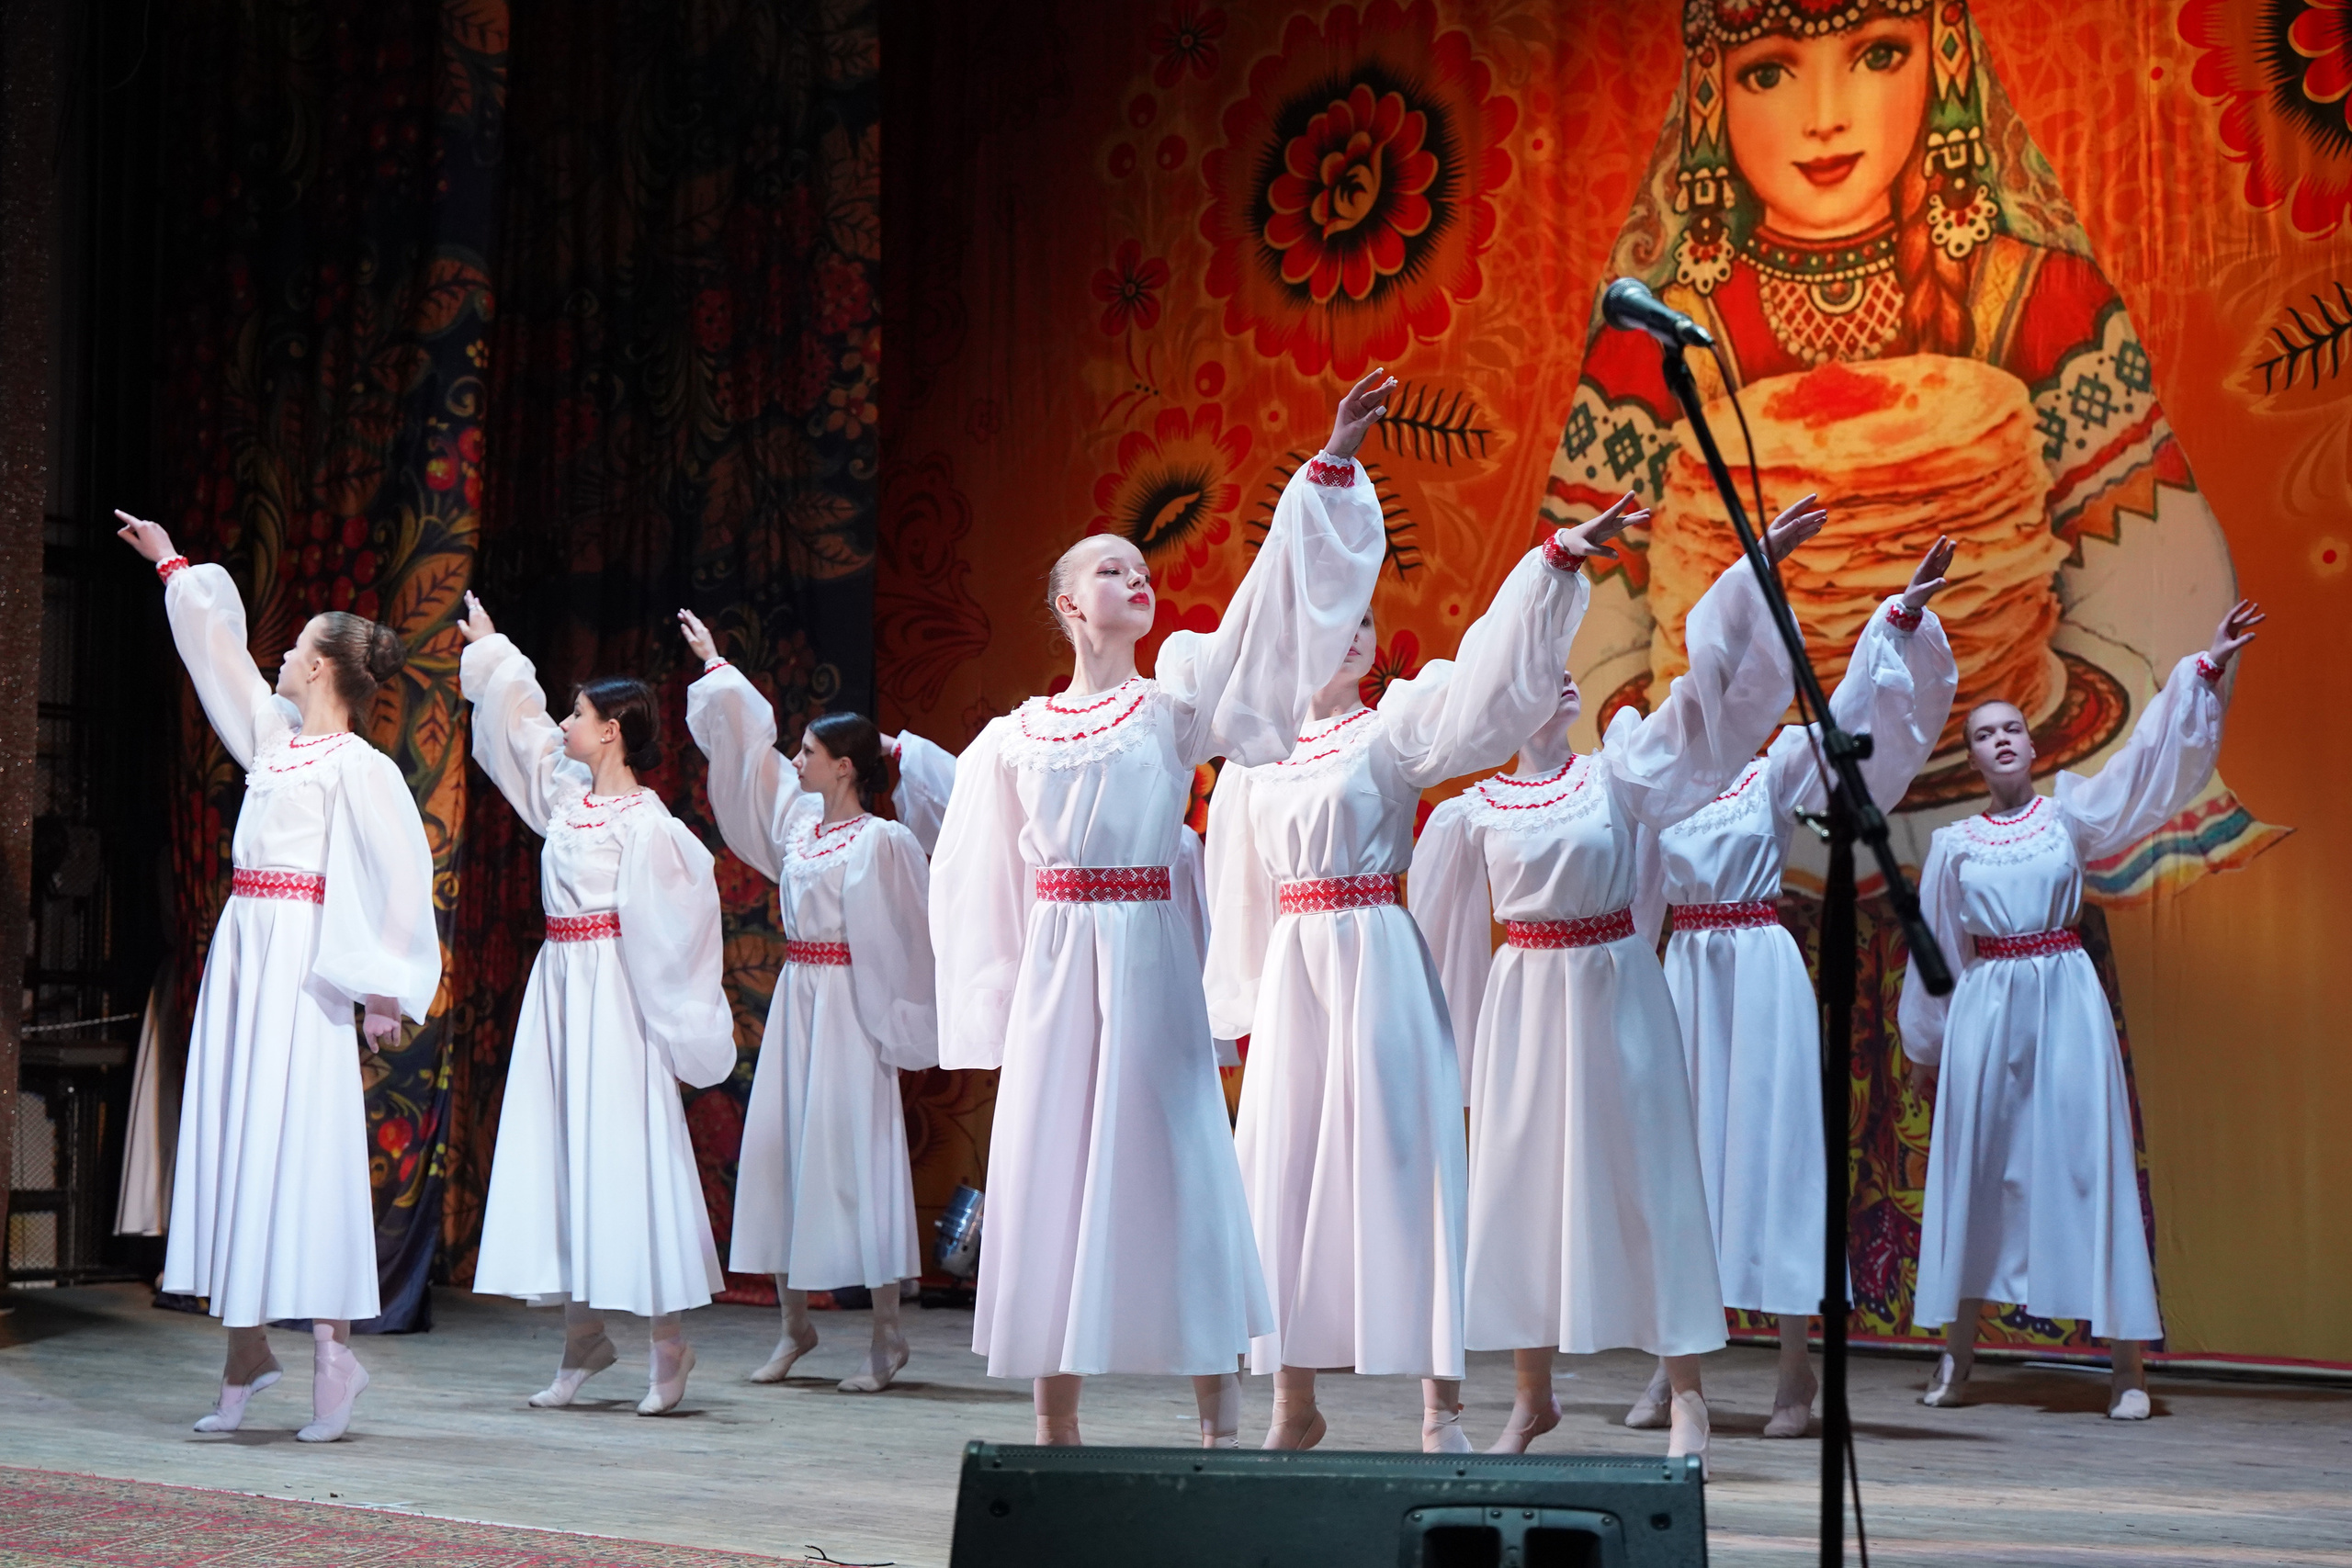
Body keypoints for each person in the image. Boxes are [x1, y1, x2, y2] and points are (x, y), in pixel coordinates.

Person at [930, 370, 1396, 1448]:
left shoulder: (1171, 708)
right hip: (1056, 964)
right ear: (1065, 604)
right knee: (1052, 1168)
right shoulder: (1015, 737)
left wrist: (1324, 473)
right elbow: (980, 879)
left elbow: (1268, 617)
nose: (1134, 578)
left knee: (1179, 1156)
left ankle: (1219, 1424)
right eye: (1109, 568)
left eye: (1141, 567)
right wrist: (995, 1003)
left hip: (1141, 956)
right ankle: (1055, 1427)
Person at [1202, 494, 1650, 1452]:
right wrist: (1235, 1007)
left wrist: (1554, 566)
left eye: (1366, 617)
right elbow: (1236, 889)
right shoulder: (1255, 759)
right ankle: (1294, 1406)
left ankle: (1440, 1410)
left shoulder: (1395, 725)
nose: (1357, 633)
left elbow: (1486, 681)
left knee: (1410, 1172)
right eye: (1337, 616)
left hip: (1376, 955)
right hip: (1294, 974)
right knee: (1284, 1177)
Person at [1410, 502, 1822, 1473]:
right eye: (1535, 673)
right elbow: (1434, 944)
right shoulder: (1473, 811)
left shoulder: (1620, 775)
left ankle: (1687, 1395)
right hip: (1524, 1001)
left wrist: (1751, 580)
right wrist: (1440, 1058)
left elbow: (1701, 705)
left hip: (1615, 988)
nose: (1557, 680)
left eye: (1565, 672)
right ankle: (1531, 1398)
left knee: (1651, 1182)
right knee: (1519, 1189)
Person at [115, 510, 439, 1444]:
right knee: (239, 1139)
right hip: (248, 951)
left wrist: (383, 991)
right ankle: (245, 1354)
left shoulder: (360, 768)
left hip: (304, 964)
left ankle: (334, 1356)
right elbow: (217, 655)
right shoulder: (274, 740)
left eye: (297, 649)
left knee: (303, 1148)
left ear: (327, 668)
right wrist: (174, 565)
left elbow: (398, 880)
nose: (282, 658)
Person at [1900, 600, 2264, 1421]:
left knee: (2089, 1163)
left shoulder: (2070, 814)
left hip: (2063, 994)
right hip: (1989, 1007)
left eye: (2011, 729)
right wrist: (1933, 1046)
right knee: (1977, 1172)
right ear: (1972, 756)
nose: (1999, 740)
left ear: (2031, 745)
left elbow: (2144, 766)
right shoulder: (1955, 847)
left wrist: (2203, 670)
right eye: (1984, 733)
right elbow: (1939, 955)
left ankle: (2128, 1368)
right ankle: (1956, 1361)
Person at [1638, 538, 1958, 1439]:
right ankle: (1675, 1375)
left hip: (1755, 966)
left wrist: (1894, 619)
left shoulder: (1773, 765)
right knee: (1677, 1169)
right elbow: (1629, 893)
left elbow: (1856, 719)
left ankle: (1792, 1376)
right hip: (1682, 980)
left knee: (1771, 1164)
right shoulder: (1657, 776)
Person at [458, 593, 738, 1416]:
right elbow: (522, 727)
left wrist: (667, 1012)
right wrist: (494, 649)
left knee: (629, 1158)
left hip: (616, 997)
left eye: (580, 715)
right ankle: (583, 1340)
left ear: (611, 728)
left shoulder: (648, 823)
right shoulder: (566, 796)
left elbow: (684, 923)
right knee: (565, 1155)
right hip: (561, 988)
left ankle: (667, 1343)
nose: (567, 724)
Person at [681, 615, 937, 1393]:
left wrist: (888, 1023)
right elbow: (751, 763)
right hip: (799, 999)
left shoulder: (882, 842)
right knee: (783, 1154)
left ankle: (887, 1335)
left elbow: (904, 937)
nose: (797, 760)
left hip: (852, 1012)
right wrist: (718, 667)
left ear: (846, 767)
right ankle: (795, 1324)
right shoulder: (799, 832)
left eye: (811, 753)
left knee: (855, 1157)